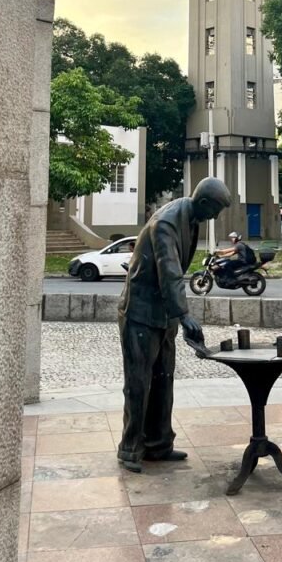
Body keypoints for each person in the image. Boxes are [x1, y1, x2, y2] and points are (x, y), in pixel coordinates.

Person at [117, 177, 231, 473]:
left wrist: (176, 315)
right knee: (139, 382)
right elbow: (170, 271)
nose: (215, 218)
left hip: (164, 312)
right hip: (140, 311)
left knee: (163, 378)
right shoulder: (167, 222)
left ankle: (158, 444)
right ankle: (130, 448)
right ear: (203, 202)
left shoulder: (190, 218)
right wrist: (184, 314)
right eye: (215, 211)